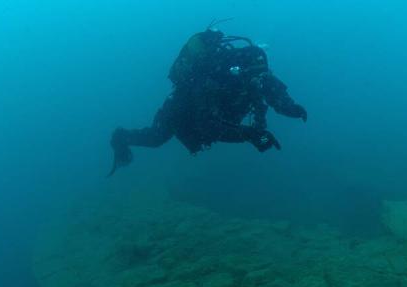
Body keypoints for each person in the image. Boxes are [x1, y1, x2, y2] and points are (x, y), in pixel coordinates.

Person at [108, 25, 307, 176]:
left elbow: (275, 93)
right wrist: (251, 135)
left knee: (159, 139)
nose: (258, 82)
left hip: (218, 116)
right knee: (156, 138)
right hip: (181, 111)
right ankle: (120, 137)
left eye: (262, 76)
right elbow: (208, 127)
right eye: (253, 76)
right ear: (240, 70)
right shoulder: (212, 82)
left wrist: (292, 108)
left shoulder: (258, 75)